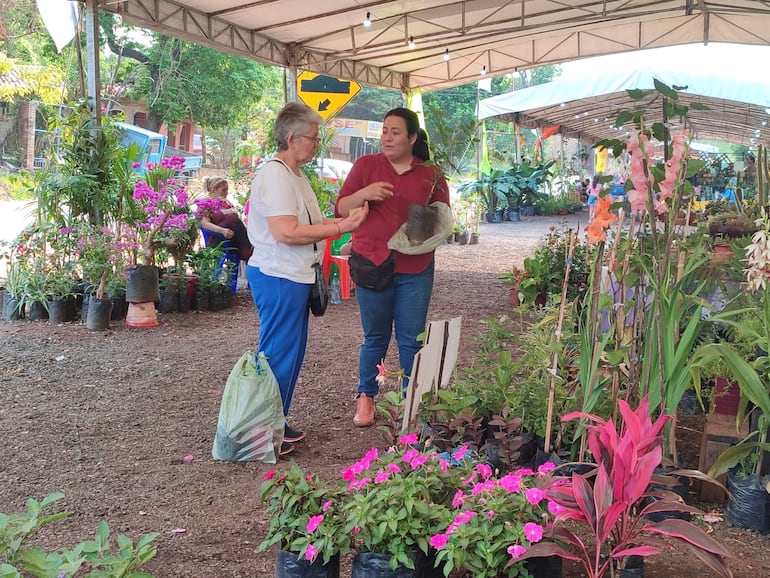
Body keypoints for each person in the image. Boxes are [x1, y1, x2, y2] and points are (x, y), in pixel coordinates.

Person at [246, 102, 368, 455]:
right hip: (279, 275)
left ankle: (275, 422)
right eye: (313, 138)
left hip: (294, 275)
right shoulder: (274, 175)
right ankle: (262, 432)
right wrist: (341, 227)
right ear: (291, 138)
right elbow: (286, 232)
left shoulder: (293, 173)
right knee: (278, 354)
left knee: (291, 352)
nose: (316, 144)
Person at [335, 107, 450, 427]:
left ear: (412, 138)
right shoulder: (366, 166)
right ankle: (365, 398)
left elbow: (440, 219)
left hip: (415, 268)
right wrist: (364, 194)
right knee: (375, 337)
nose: (387, 137)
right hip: (372, 264)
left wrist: (417, 228)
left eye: (395, 132)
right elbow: (341, 207)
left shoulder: (431, 174)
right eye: (385, 131)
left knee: (412, 339)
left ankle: (409, 402)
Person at [199, 176, 253, 260]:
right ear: (213, 190)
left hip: (234, 238)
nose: (226, 193)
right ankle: (247, 253)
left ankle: (249, 251)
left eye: (227, 190)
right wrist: (222, 231)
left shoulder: (227, 203)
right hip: (219, 239)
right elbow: (204, 223)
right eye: (223, 190)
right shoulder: (206, 204)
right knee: (232, 220)